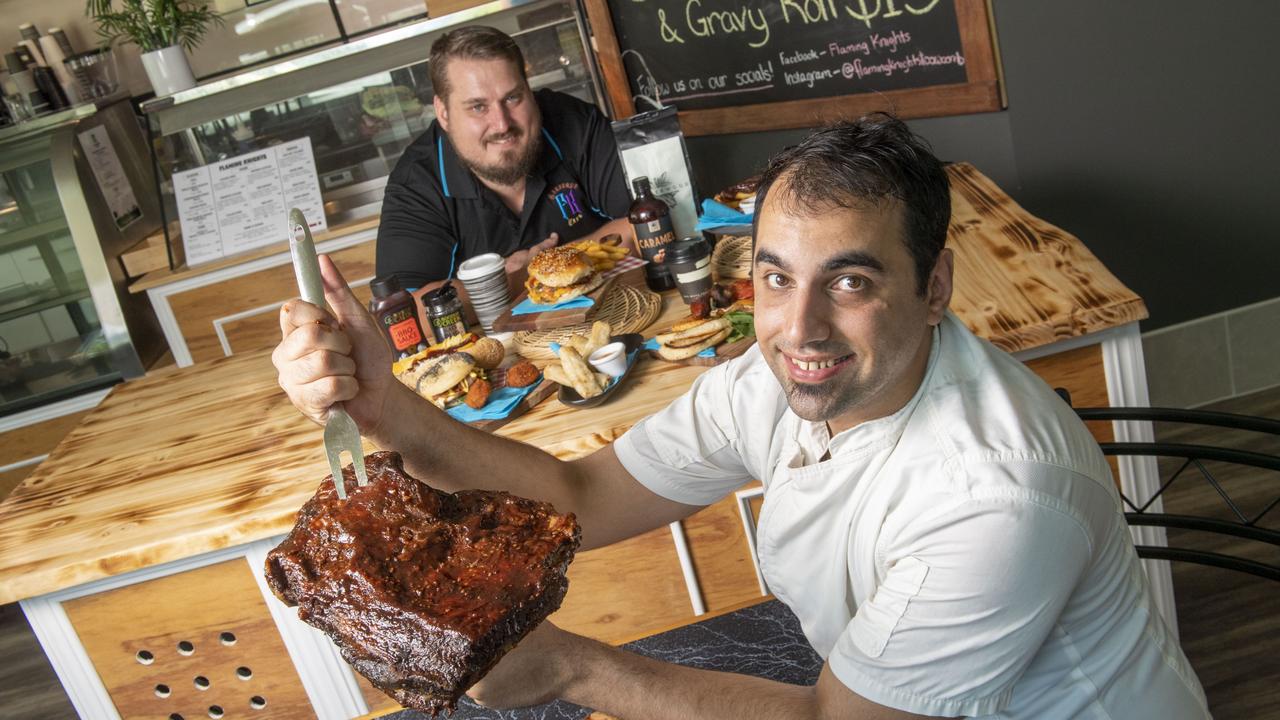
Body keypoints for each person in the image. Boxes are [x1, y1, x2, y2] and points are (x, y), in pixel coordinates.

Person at [273, 116, 1210, 719]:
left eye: (850, 279)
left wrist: (572, 670)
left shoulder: (991, 498)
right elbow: (581, 493)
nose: (799, 327)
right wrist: (385, 406)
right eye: (774, 277)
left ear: (934, 289)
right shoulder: (777, 380)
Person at [375, 25, 632, 290]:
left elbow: (646, 220)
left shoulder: (575, 122)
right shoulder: (417, 182)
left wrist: (539, 269)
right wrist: (509, 280)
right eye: (478, 107)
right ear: (443, 113)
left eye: (512, 98)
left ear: (529, 91)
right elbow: (404, 311)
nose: (501, 124)